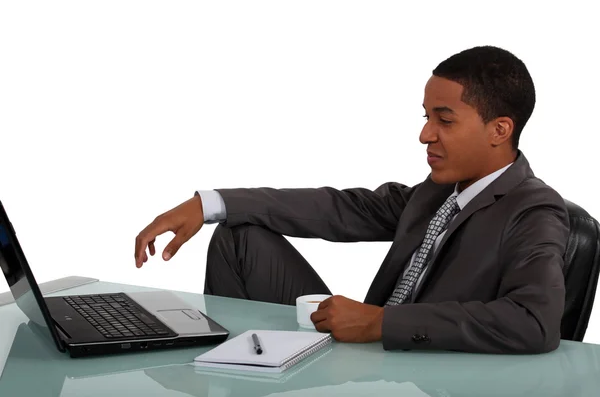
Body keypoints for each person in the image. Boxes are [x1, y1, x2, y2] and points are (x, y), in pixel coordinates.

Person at [134, 45, 570, 354]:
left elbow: (534, 323)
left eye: (445, 120)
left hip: (414, 367)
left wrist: (382, 324)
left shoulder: (533, 209)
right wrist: (208, 203)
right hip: (364, 347)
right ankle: (236, 371)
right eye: (426, 117)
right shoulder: (437, 191)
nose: (425, 134)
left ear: (500, 130)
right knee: (239, 237)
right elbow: (339, 208)